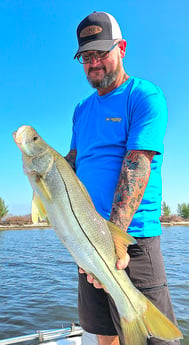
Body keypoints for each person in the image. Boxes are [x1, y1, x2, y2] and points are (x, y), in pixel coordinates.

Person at [65, 11, 179, 345]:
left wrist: (113, 246)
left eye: (101, 52)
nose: (94, 62)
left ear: (122, 48)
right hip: (87, 240)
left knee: (149, 338)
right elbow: (74, 163)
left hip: (132, 242)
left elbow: (136, 166)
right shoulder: (81, 111)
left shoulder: (144, 97)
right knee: (104, 333)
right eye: (87, 56)